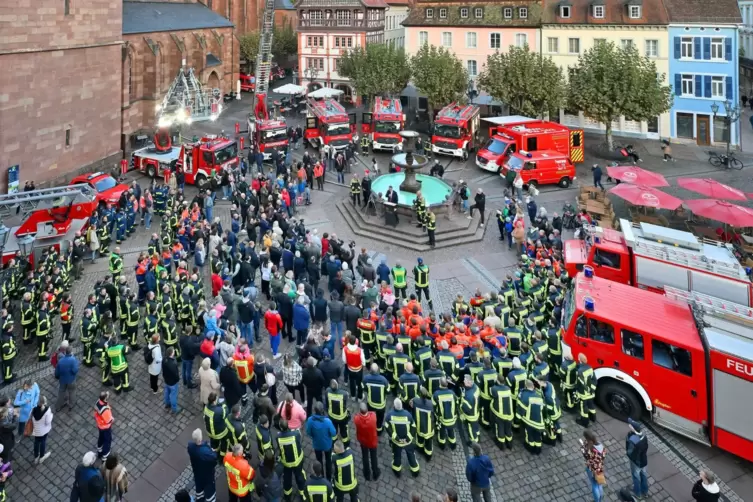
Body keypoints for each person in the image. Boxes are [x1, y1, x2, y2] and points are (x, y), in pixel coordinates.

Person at [384, 398, 419, 477]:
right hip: (408, 441)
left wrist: (395, 437)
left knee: (397, 456)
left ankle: (397, 471)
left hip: (397, 442)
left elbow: (386, 426)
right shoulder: (408, 415)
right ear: (402, 405)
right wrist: (408, 438)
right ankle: (415, 470)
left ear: (394, 406)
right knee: (411, 455)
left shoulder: (390, 415)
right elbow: (413, 427)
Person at [306, 402, 336, 481]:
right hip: (327, 445)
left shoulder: (310, 420)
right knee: (328, 460)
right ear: (323, 410)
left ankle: (321, 475)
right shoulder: (327, 421)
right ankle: (329, 478)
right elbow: (333, 433)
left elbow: (308, 432)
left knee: (319, 460)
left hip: (317, 444)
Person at [277, 418, 307, 499]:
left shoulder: (278, 437)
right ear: (288, 426)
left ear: (280, 427)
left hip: (287, 463)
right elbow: (298, 438)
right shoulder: (295, 434)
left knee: (287, 479)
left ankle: (287, 496)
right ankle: (302, 494)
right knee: (300, 476)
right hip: (297, 461)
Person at [188, 428, 218, 502]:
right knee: (210, 493)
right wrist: (213, 451)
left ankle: (200, 499)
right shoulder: (205, 452)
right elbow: (214, 458)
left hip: (197, 473)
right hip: (207, 475)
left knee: (199, 490)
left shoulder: (190, 447)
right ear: (200, 439)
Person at [353, 402, 380, 481]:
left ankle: (366, 473)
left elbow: (356, 417)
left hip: (363, 441)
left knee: (365, 457)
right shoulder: (373, 417)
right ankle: (375, 472)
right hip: (372, 441)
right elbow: (372, 413)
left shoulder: (357, 419)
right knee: (373, 457)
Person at [626, 418, 649, 500]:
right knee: (644, 475)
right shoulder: (644, 436)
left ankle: (637, 493)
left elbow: (629, 452)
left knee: (636, 477)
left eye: (631, 425)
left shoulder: (633, 439)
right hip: (643, 460)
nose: (629, 425)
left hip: (636, 462)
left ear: (633, 428)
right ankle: (645, 492)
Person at [581, 429, 606, 502]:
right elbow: (603, 456)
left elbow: (586, 456)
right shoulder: (601, 446)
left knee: (594, 485)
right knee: (599, 484)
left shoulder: (591, 448)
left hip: (591, 469)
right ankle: (600, 498)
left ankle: (596, 500)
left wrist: (583, 447)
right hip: (600, 468)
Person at [55, 344, 78, 411]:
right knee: (72, 391)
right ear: (71, 352)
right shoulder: (73, 360)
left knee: (61, 392)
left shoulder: (60, 361)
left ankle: (59, 406)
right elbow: (75, 370)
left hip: (62, 380)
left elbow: (57, 372)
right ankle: (71, 404)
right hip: (71, 380)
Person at [576, 353, 597, 427]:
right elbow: (594, 380)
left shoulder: (580, 371)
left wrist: (577, 391)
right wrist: (592, 389)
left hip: (584, 394)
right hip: (591, 393)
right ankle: (593, 417)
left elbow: (580, 384)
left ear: (579, 360)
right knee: (591, 405)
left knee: (583, 408)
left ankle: (585, 422)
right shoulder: (590, 368)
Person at [31, 395, 53, 464]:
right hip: (43, 430)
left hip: (36, 430)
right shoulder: (47, 410)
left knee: (36, 442)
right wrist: (51, 415)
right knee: (43, 441)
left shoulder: (34, 408)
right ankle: (42, 456)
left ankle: (36, 457)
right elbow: (47, 422)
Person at [342, 334, 364, 400]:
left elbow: (344, 360)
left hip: (350, 369)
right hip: (359, 369)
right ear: (355, 341)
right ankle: (360, 397)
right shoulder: (359, 350)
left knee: (351, 382)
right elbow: (363, 362)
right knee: (360, 383)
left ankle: (353, 396)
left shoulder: (345, 349)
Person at [95, 391, 114, 461]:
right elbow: (109, 420)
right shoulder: (105, 410)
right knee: (107, 440)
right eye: (106, 395)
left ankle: (99, 450)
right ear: (105, 398)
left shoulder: (98, 402)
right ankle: (105, 456)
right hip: (105, 427)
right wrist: (112, 419)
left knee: (101, 438)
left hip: (100, 425)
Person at [163, 347, 181, 414]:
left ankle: (167, 403)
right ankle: (174, 409)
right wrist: (177, 379)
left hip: (166, 380)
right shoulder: (173, 363)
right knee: (173, 395)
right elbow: (175, 374)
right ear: (171, 353)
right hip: (173, 382)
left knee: (167, 392)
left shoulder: (164, 359)